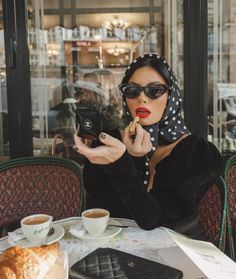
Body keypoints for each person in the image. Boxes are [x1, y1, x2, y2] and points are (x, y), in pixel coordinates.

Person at [73, 53, 223, 240]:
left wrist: (121, 163)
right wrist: (128, 158)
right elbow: (103, 212)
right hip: (116, 249)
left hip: (178, 252)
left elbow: (153, 220)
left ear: (171, 96)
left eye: (154, 90)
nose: (142, 98)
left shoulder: (196, 153)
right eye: (132, 90)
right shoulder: (107, 144)